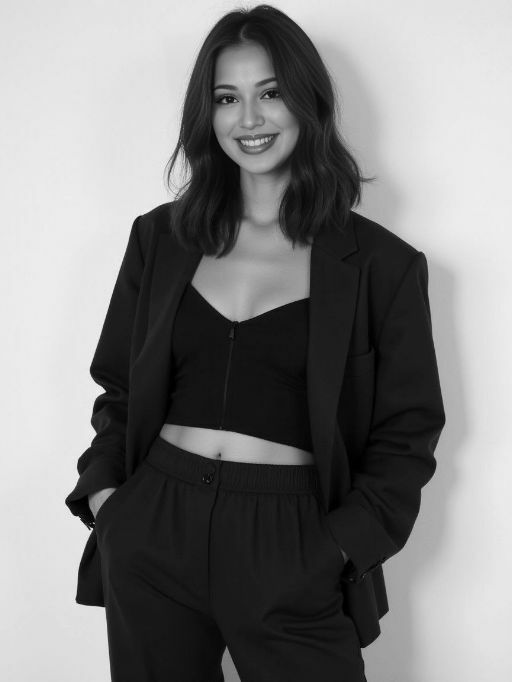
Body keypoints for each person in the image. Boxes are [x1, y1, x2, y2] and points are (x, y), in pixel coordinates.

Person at [64, 5, 446, 682]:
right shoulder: (159, 239)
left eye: (270, 93)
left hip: (291, 540)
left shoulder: (381, 266)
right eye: (226, 98)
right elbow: (119, 385)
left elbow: (407, 433)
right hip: (154, 527)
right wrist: (110, 504)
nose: (249, 119)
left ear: (307, 101)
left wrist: (333, 550)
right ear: (206, 115)